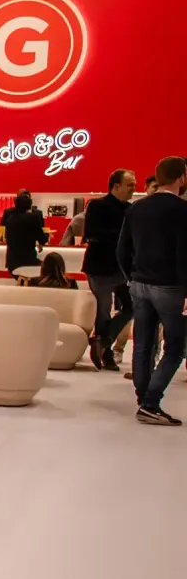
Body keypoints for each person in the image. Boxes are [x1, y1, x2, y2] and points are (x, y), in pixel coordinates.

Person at [116, 156, 187, 426]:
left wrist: (131, 277)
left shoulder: (136, 208)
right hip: (170, 286)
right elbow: (183, 255)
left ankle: (144, 399)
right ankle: (150, 402)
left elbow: (122, 249)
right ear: (181, 177)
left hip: (139, 283)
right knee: (175, 347)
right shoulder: (182, 210)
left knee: (143, 345)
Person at [82, 169, 137, 370]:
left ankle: (103, 341)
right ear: (116, 186)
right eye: (130, 185)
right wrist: (123, 236)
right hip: (100, 267)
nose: (133, 189)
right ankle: (106, 354)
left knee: (131, 307)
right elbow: (91, 234)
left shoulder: (131, 209)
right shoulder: (97, 206)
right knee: (103, 311)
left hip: (123, 269)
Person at [3, 193, 48, 273]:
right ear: (29, 206)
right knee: (49, 269)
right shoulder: (33, 218)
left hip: (11, 263)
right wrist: (47, 235)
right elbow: (42, 240)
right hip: (28, 262)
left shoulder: (10, 218)